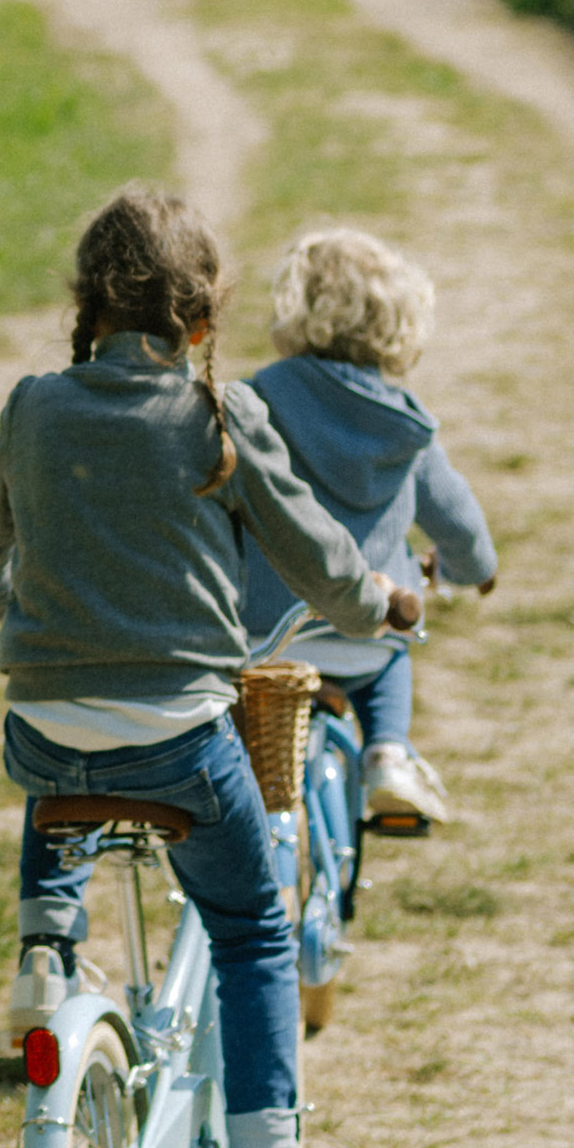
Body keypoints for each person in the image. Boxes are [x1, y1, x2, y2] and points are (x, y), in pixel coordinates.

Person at [0, 182, 424, 1148]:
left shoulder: (31, 405)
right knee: (255, 921)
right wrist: (380, 604)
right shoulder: (221, 414)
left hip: (47, 735)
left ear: (85, 305)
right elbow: (316, 555)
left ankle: (44, 942)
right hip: (180, 737)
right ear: (200, 320)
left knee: (59, 739)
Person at [239, 224, 498, 840]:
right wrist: (471, 570)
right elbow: (456, 519)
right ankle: (388, 754)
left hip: (267, 637)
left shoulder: (253, 401)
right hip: (369, 633)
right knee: (390, 664)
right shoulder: (402, 424)